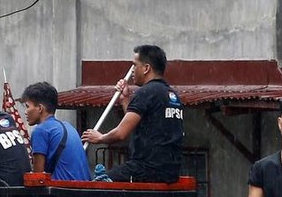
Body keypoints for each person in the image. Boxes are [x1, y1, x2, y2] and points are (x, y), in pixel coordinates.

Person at [81, 44, 183, 183]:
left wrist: (100, 138)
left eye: (135, 65)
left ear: (146, 68)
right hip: (169, 172)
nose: (132, 70)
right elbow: (140, 124)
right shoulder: (171, 95)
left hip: (145, 168)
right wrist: (125, 99)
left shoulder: (146, 93)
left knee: (100, 184)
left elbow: (121, 133)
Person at [19, 81, 90, 181]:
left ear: (40, 108)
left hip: (63, 192)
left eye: (27, 107)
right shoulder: (69, 127)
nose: (25, 112)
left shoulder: (41, 130)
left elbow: (37, 177)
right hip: (85, 190)